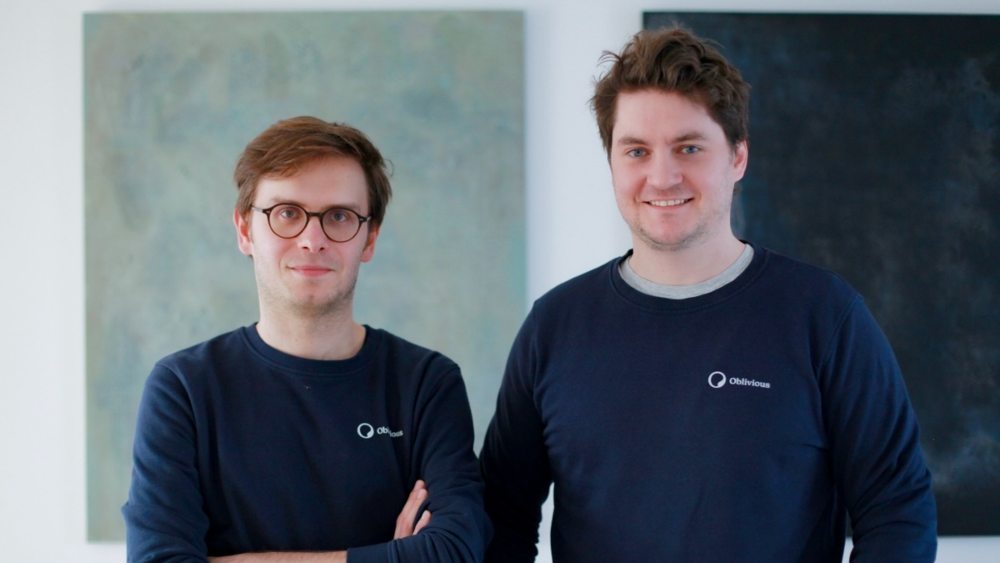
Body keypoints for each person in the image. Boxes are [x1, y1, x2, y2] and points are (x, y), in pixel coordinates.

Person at [479, 26, 937, 562]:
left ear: (737, 157)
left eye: (689, 147)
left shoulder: (825, 318)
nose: (662, 176)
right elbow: (500, 520)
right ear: (611, 162)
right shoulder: (554, 327)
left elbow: (898, 513)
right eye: (636, 151)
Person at [123, 116, 490, 562]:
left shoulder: (426, 384)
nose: (312, 239)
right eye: (287, 214)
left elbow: (454, 551)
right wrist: (391, 556)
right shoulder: (184, 388)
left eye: (339, 216)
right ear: (245, 230)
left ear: (369, 239)